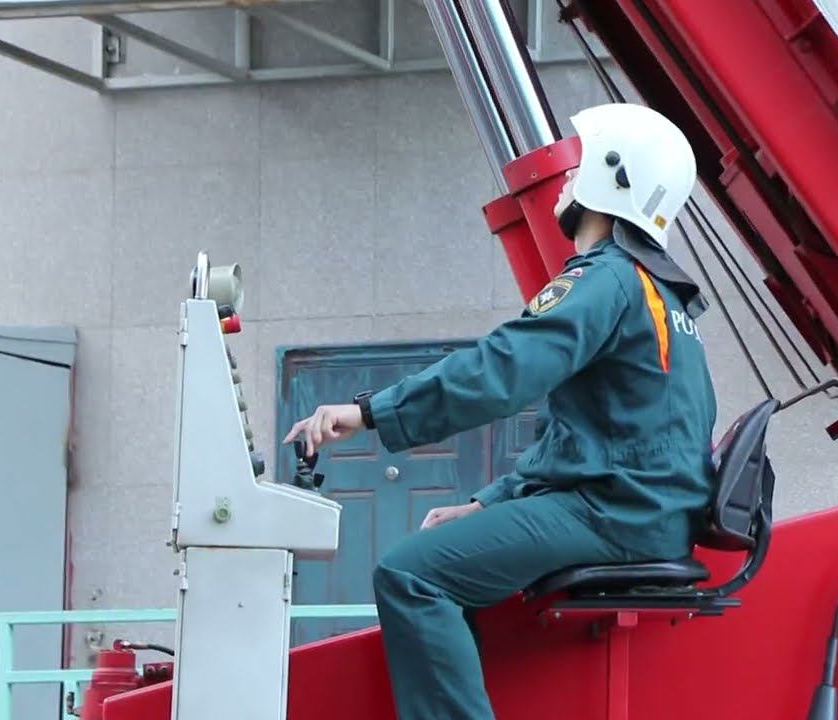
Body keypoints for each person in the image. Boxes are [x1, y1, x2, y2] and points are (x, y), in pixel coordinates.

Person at [282, 102, 717, 719]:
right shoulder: (659, 294)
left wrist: (369, 412)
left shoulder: (606, 280)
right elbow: (589, 439)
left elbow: (501, 368)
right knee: (442, 561)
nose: (567, 177)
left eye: (580, 163)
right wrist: (488, 504)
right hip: (641, 510)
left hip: (616, 514)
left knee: (411, 576)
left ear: (612, 177)